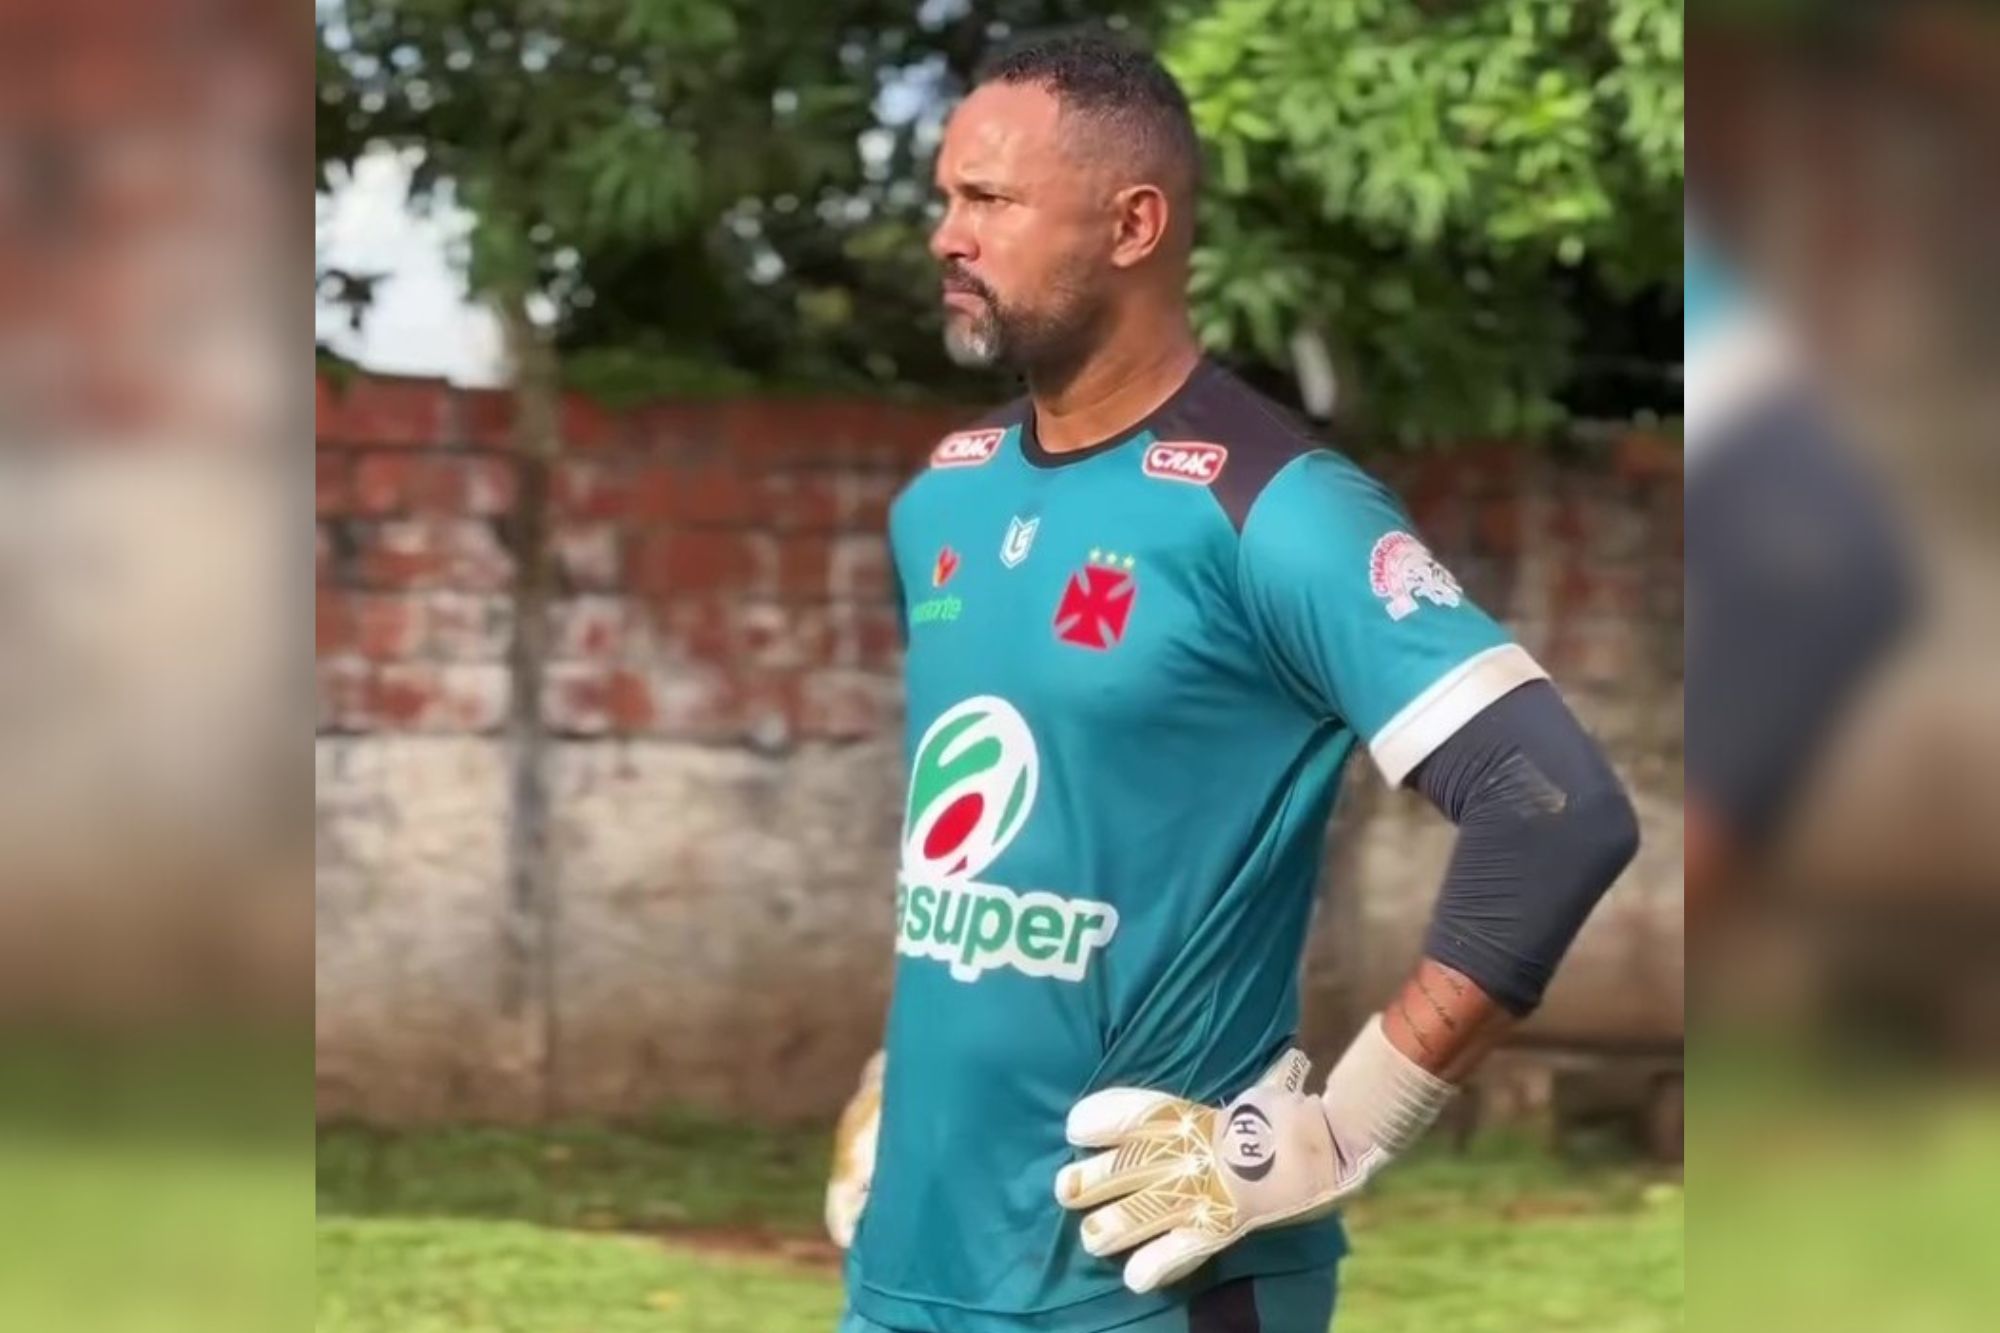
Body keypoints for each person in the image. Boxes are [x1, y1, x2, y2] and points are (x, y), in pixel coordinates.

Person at [830, 30, 1640, 1333]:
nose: (946, 235)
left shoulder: (1276, 509)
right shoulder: (944, 502)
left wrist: (1339, 1129)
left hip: (1148, 1283)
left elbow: (1554, 807)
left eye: (988, 199)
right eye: (945, 198)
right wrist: (903, 1077)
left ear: (1132, 225)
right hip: (906, 1272)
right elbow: (993, 844)